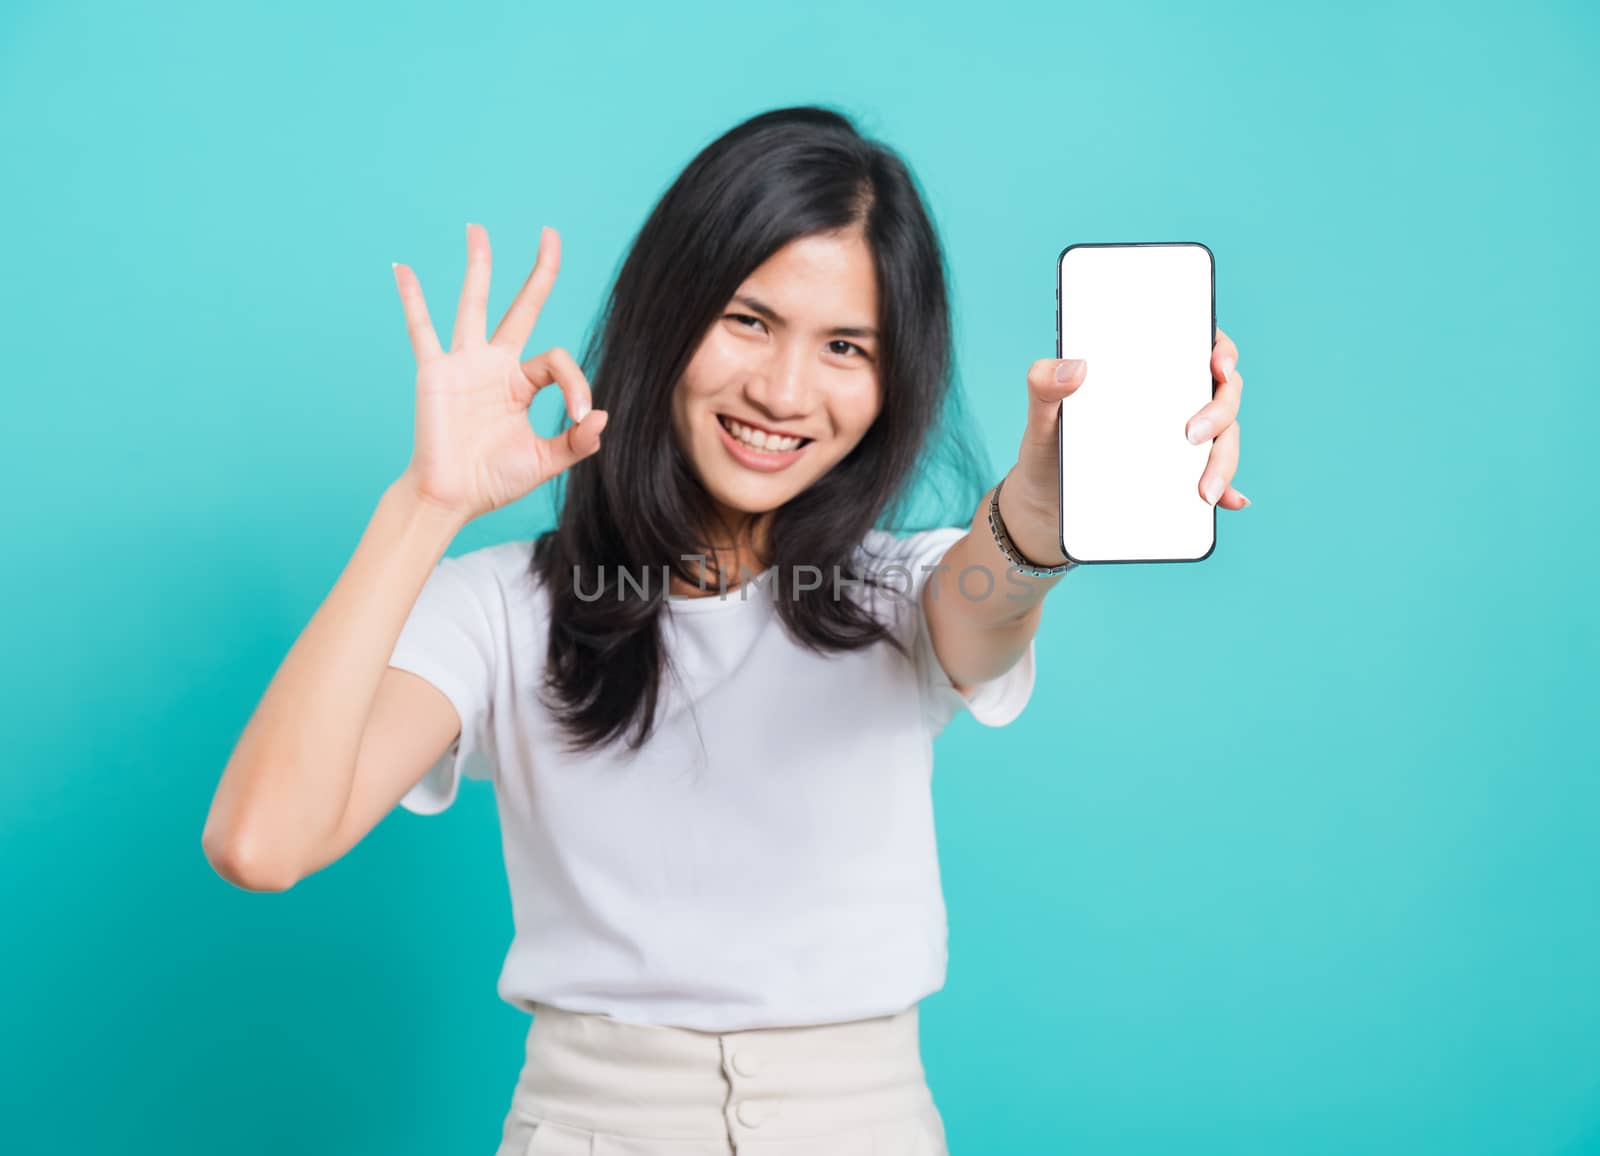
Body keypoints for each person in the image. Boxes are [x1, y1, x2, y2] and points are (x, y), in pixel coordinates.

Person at [202, 105, 1247, 1156]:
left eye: (845, 345)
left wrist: (1035, 519)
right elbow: (261, 844)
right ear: (668, 313)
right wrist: (422, 505)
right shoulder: (502, 607)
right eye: (748, 320)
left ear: (893, 385)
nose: (783, 391)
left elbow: (987, 603)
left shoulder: (906, 588)